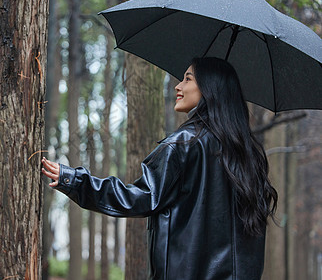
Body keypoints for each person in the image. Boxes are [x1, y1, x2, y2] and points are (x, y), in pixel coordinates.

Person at [41, 57, 278, 280]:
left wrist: (75, 180)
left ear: (210, 87)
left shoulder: (184, 144)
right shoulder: (249, 155)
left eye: (188, 79)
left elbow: (138, 197)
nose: (178, 86)